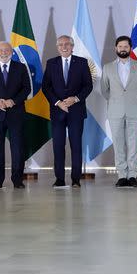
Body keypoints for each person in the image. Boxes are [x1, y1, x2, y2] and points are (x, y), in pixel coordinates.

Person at [41, 35, 93, 188]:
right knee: (58, 146)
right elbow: (46, 87)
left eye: (67, 44)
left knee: (76, 145)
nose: (64, 47)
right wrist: (58, 103)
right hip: (57, 111)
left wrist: (75, 99)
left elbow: (88, 86)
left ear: (72, 46)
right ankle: (60, 179)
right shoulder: (51, 63)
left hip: (76, 110)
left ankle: (76, 179)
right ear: (57, 47)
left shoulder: (82, 63)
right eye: (61, 45)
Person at [100, 36, 137, 188]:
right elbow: (105, 90)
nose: (123, 48)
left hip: (135, 110)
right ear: (116, 48)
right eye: (120, 46)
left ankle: (132, 175)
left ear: (130, 48)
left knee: (133, 144)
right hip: (115, 112)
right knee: (119, 145)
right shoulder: (107, 67)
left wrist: (133, 101)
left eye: (126, 46)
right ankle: (122, 175)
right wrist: (117, 101)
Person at [0, 41, 31, 189]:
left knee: (17, 148)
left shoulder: (21, 68)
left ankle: (17, 180)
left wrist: (13, 101)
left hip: (16, 114)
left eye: (6, 50)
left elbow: (26, 88)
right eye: (1, 50)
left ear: (11, 52)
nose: (3, 52)